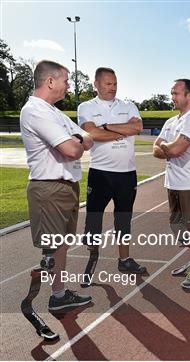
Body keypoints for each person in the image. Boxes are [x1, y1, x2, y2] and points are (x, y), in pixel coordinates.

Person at [20, 60, 93, 314]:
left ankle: (59, 295)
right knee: (52, 248)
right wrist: (78, 139)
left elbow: (88, 138)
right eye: (65, 80)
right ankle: (41, 301)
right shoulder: (35, 110)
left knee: (62, 245)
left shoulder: (55, 112)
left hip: (66, 187)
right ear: (50, 81)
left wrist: (78, 139)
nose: (69, 85)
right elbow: (74, 149)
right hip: (49, 188)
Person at [77, 67, 146, 279]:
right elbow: (92, 133)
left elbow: (137, 128)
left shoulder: (128, 105)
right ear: (95, 84)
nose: (112, 87)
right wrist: (121, 130)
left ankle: (124, 260)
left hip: (126, 174)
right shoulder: (86, 107)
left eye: (115, 83)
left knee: (123, 218)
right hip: (101, 173)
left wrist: (106, 127)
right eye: (107, 83)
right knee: (94, 218)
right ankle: (93, 256)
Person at [153, 79, 190, 289]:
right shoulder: (171, 122)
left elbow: (175, 150)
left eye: (176, 93)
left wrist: (168, 148)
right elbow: (155, 150)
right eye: (171, 93)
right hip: (173, 183)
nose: (172, 97)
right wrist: (171, 147)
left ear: (189, 96)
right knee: (177, 228)